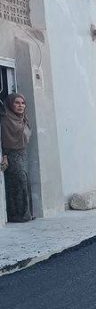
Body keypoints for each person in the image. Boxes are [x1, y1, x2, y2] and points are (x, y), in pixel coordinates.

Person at [1, 93, 33, 222]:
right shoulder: (5, 118)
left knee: (25, 182)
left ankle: (26, 214)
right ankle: (16, 215)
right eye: (17, 103)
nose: (20, 106)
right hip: (11, 155)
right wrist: (4, 155)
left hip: (23, 154)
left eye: (22, 103)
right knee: (17, 183)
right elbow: (3, 139)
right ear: (10, 104)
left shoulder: (23, 119)